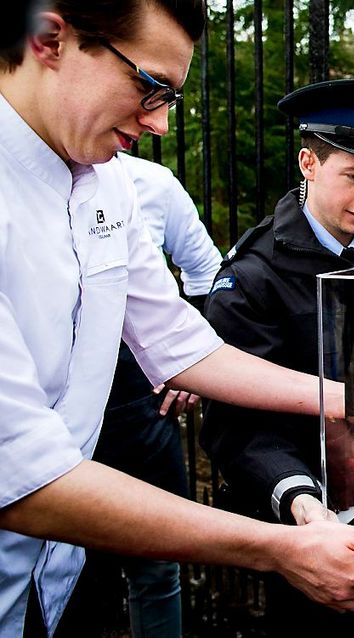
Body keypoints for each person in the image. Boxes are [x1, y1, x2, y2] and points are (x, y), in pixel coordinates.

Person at [0, 2, 354, 635]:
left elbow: (182, 346)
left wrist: (352, 400)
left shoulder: (106, 183)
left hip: (58, 574)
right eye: (150, 88)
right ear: (49, 39)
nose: (162, 123)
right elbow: (27, 476)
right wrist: (278, 546)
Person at [201, 79, 354, 633]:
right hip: (312, 521)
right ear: (309, 162)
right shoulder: (252, 276)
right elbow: (236, 426)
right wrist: (301, 500)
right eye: (353, 176)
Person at [58, 153, 222, 638]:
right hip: (57, 420)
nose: (158, 122)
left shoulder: (152, 183)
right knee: (77, 566)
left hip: (139, 409)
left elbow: (205, 271)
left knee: (158, 561)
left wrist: (183, 368)